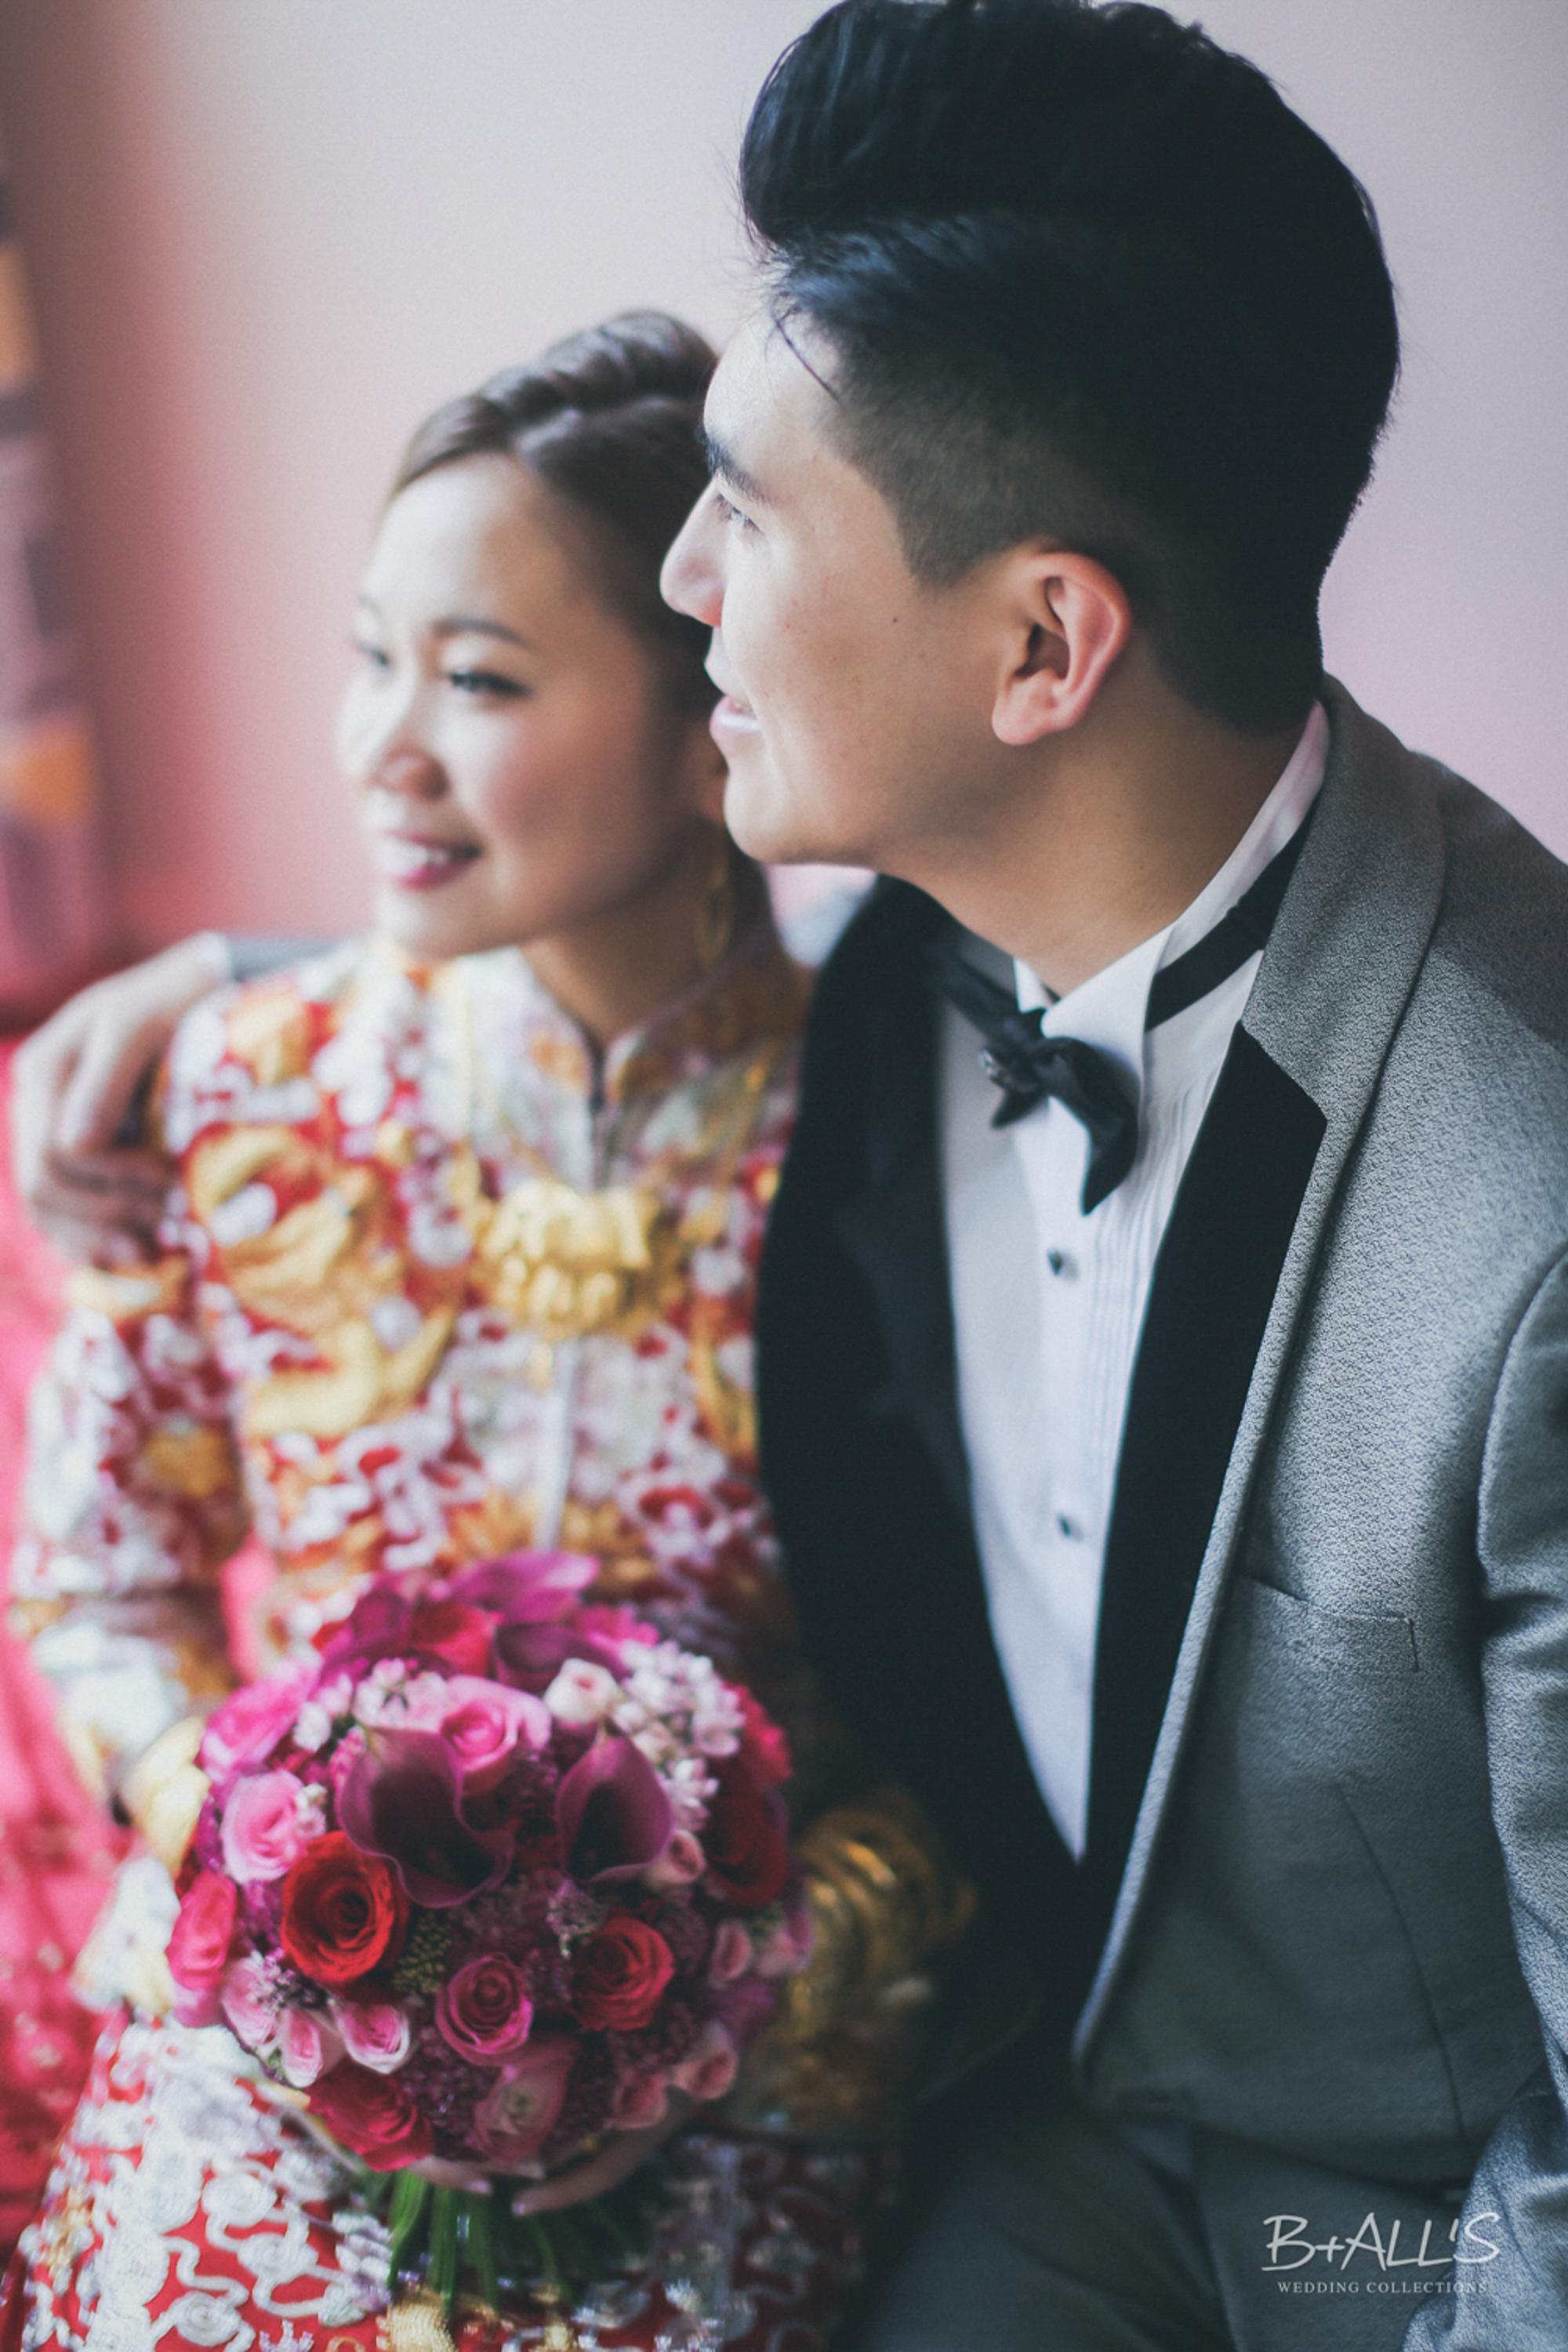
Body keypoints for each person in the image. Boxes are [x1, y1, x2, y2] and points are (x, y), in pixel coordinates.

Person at [17, 6, 1568, 2349]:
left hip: (1403, 2218)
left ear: (1040, 645)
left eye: (744, 515)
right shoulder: (926, 928)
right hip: (1031, 2117)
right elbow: (616, 979)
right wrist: (234, 985)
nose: (685, 586)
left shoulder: (1524, 1219)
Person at [2, 310, 960, 2351]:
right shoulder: (245, 1089)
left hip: (750, 2067)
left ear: (712, 717)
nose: (381, 747)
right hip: (270, 2032)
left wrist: (713, 2000)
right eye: (373, 658)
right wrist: (274, 1895)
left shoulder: (902, 1143)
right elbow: (96, 1582)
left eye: (481, 679)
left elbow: (990, 1717)